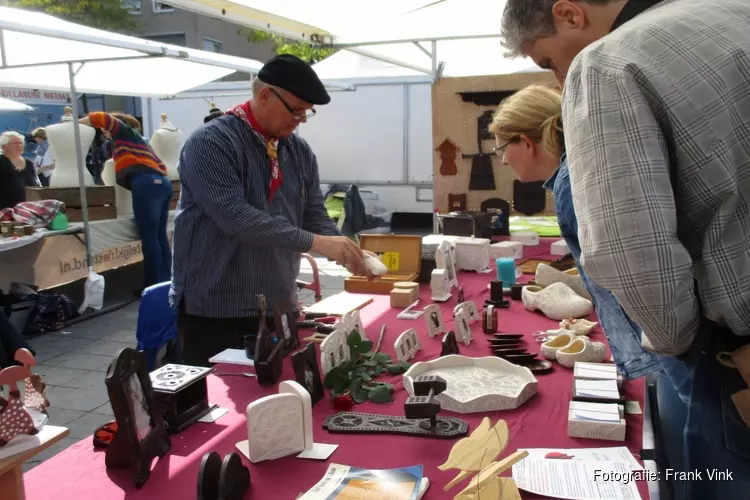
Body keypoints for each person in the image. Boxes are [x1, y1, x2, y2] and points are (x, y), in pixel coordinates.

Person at [501, 0, 750, 498]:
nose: (557, 81)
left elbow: (630, 253)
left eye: (548, 61)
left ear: (569, 14)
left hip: (729, 356)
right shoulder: (735, 13)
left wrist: (675, 349)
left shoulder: (606, 63)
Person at [489, 83, 691, 477]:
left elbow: (631, 270)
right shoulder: (578, 175)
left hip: (673, 347)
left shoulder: (572, 188)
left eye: (501, 149)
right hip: (672, 342)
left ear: (526, 141)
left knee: (695, 462)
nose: (503, 161)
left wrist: (655, 346)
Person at [171, 55, 368, 366]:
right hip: (218, 305)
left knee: (281, 399)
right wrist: (317, 243)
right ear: (264, 95)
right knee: (217, 405)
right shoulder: (211, 143)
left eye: (307, 112)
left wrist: (343, 248)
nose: (301, 119)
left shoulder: (298, 150)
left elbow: (313, 212)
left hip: (279, 302)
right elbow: (236, 217)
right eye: (296, 109)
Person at [79, 112, 173, 291]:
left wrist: (76, 124)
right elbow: (162, 167)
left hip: (146, 183)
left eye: (105, 130)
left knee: (149, 237)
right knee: (159, 236)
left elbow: (102, 117)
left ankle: (152, 285)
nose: (104, 132)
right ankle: (165, 281)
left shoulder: (123, 132)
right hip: (162, 184)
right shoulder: (142, 142)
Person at [0, 131, 40, 210]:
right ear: (4, 146)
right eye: (15, 143)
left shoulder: (29, 163)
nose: (19, 146)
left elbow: (36, 184)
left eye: (21, 143)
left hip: (27, 209)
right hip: (5, 210)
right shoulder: (1, 161)